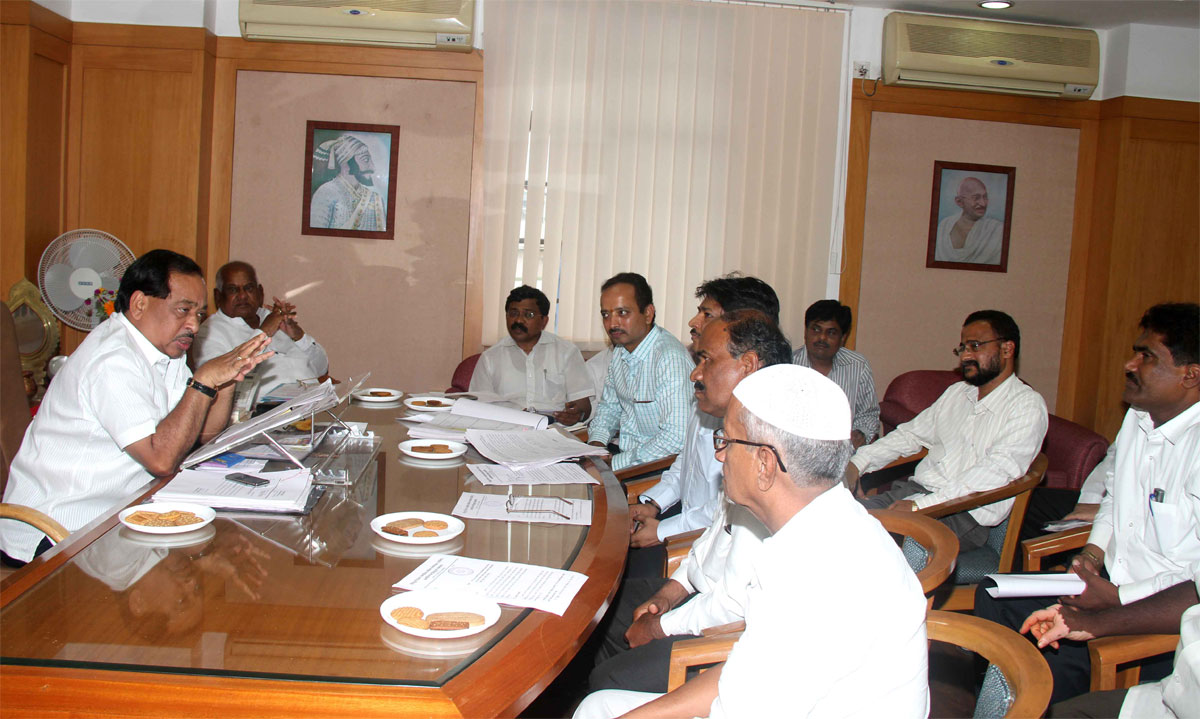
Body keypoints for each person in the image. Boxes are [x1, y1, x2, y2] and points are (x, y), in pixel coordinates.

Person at [574, 364, 929, 718]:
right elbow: (743, 674)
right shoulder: (821, 524)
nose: (719, 455)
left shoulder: (818, 572)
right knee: (598, 706)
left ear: (764, 463)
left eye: (726, 440)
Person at [975, 302, 1200, 704]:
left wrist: (1115, 601)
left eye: (1146, 356)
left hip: (1165, 616)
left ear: (1190, 375)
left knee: (1047, 662)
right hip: (1111, 584)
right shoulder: (1140, 417)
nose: (1130, 365)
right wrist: (1093, 553)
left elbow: (1195, 586)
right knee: (993, 594)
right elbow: (1116, 497)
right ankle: (998, 704)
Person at [0, 250, 272, 565]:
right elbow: (161, 459)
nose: (194, 326)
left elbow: (203, 435)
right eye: (183, 310)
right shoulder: (112, 359)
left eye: (198, 314)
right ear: (140, 303)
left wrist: (226, 381)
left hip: (117, 517)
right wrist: (204, 381)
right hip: (57, 532)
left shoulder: (165, 351)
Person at [591, 310, 791, 694]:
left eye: (706, 360)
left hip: (732, 637)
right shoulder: (739, 435)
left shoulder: (767, 459)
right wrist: (670, 592)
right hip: (698, 593)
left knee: (607, 676)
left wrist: (661, 624)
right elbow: (714, 535)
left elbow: (733, 602)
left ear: (747, 366)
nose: (694, 373)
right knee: (602, 610)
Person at [848, 310, 1048, 552]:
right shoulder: (957, 393)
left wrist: (920, 506)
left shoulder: (1026, 405)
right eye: (962, 348)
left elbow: (994, 472)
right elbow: (909, 435)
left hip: (964, 514)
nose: (965, 356)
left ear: (1007, 349)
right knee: (836, 520)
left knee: (866, 542)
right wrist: (857, 464)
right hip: (916, 494)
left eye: (975, 346)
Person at [630, 274, 781, 551]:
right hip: (685, 522)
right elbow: (686, 462)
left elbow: (728, 508)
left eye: (706, 313)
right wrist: (654, 503)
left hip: (701, 541)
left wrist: (665, 530)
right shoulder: (711, 386)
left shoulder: (767, 424)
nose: (693, 322)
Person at [1023, 573, 1197, 718]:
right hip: (1163, 701)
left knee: (1037, 674)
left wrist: (1117, 597)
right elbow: (1195, 587)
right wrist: (1090, 624)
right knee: (1057, 713)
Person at [587, 273, 694, 472]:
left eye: (622, 313)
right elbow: (609, 407)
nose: (612, 324)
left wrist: (614, 465)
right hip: (626, 458)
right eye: (606, 314)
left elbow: (676, 439)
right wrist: (596, 446)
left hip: (660, 470)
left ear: (648, 313)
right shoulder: (620, 351)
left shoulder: (669, 358)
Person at [192, 261, 329, 389]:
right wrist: (265, 331)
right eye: (233, 290)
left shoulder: (274, 317)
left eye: (249, 288)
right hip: (263, 411)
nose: (242, 296)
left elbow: (321, 368)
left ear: (260, 293)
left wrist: (298, 335)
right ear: (218, 296)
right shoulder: (209, 332)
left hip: (311, 401)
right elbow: (219, 383)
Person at [469, 285, 593, 424]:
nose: (519, 320)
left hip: (553, 432)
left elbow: (583, 406)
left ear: (544, 321)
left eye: (529, 315)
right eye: (513, 313)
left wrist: (576, 415)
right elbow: (476, 407)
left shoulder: (567, 353)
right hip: (505, 430)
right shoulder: (489, 358)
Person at [791, 299, 879, 448]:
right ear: (806, 332)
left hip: (843, 453)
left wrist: (860, 434)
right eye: (816, 330)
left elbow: (869, 414)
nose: (822, 338)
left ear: (843, 338)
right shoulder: (788, 365)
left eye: (831, 333)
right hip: (797, 452)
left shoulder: (858, 365)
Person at [309, 134, 386, 231]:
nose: (372, 167)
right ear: (347, 162)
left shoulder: (375, 198)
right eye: (366, 160)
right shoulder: (325, 193)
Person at [935, 176, 1004, 265]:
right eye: (976, 198)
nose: (983, 203)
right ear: (959, 201)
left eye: (985, 197)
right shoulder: (944, 225)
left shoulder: (997, 229)